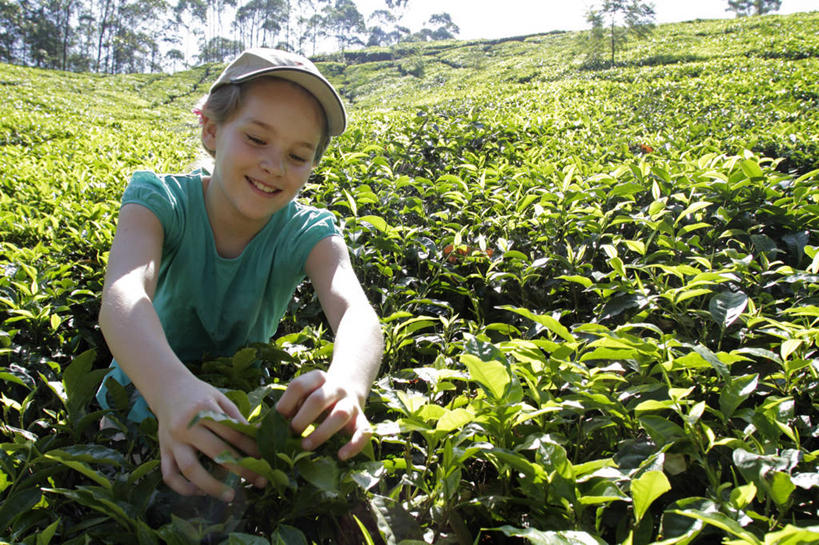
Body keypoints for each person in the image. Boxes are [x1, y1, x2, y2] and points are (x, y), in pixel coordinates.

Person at [95, 48, 383, 503]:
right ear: (211, 129)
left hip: (238, 401)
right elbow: (124, 294)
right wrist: (169, 389)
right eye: (256, 138)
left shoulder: (307, 231)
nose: (274, 165)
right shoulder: (159, 200)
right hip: (139, 389)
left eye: (298, 155)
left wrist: (348, 380)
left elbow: (356, 313)